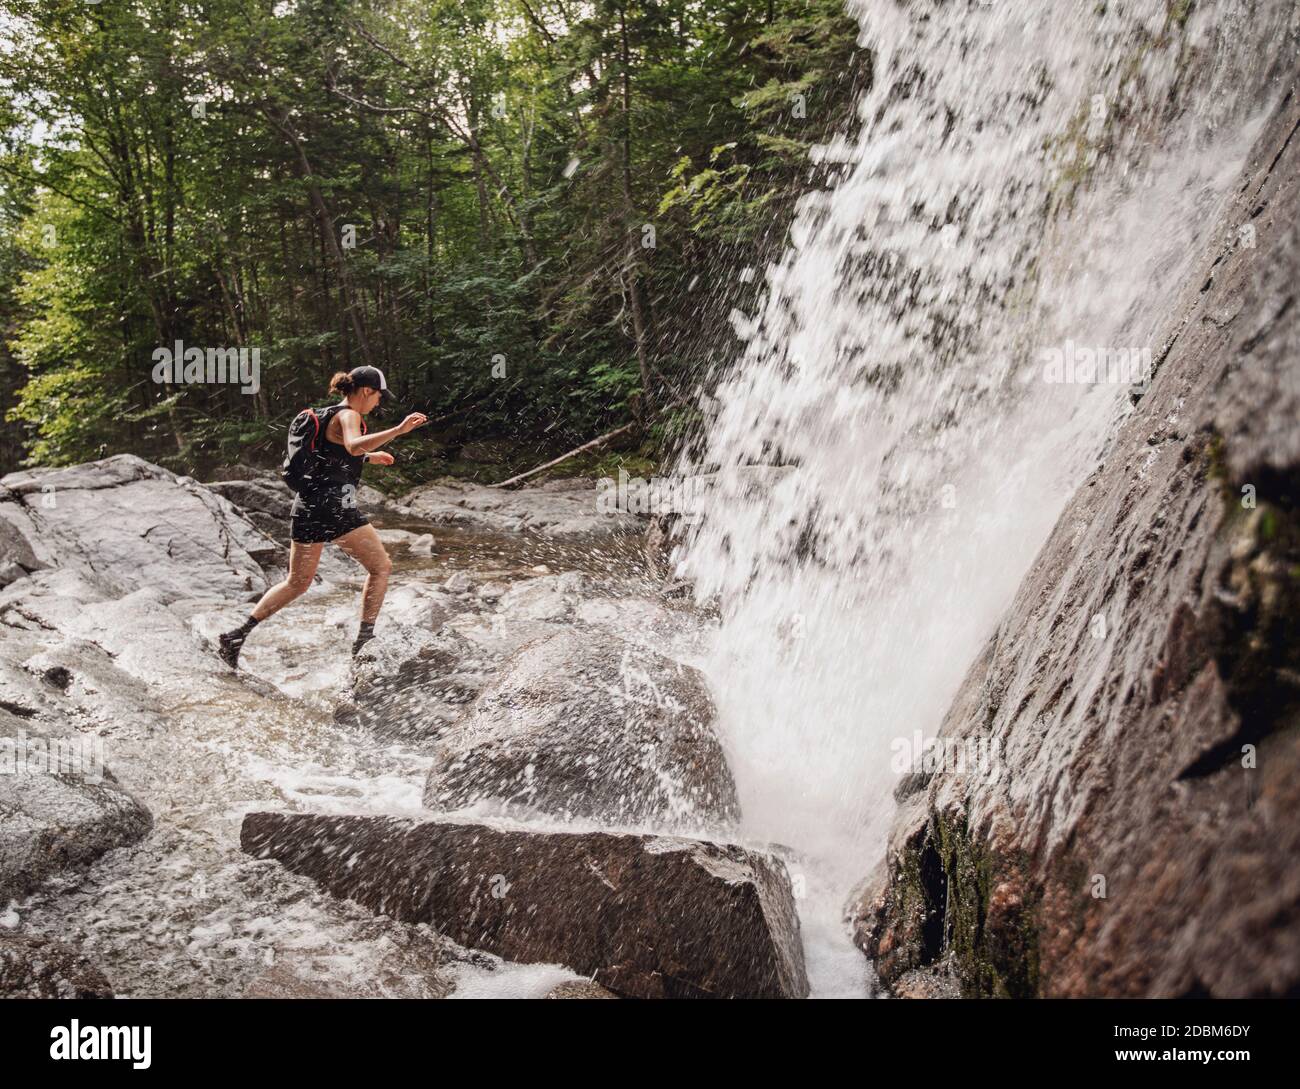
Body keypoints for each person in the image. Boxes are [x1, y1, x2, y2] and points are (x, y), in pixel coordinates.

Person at [218, 366, 427, 668]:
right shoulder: (350, 415)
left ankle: (237, 635)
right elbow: (353, 444)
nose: (378, 403)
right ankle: (364, 642)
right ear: (366, 391)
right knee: (381, 567)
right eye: (379, 397)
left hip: (307, 506)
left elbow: (337, 453)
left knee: (297, 582)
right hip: (336, 508)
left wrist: (369, 457)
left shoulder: (327, 415)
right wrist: (398, 430)